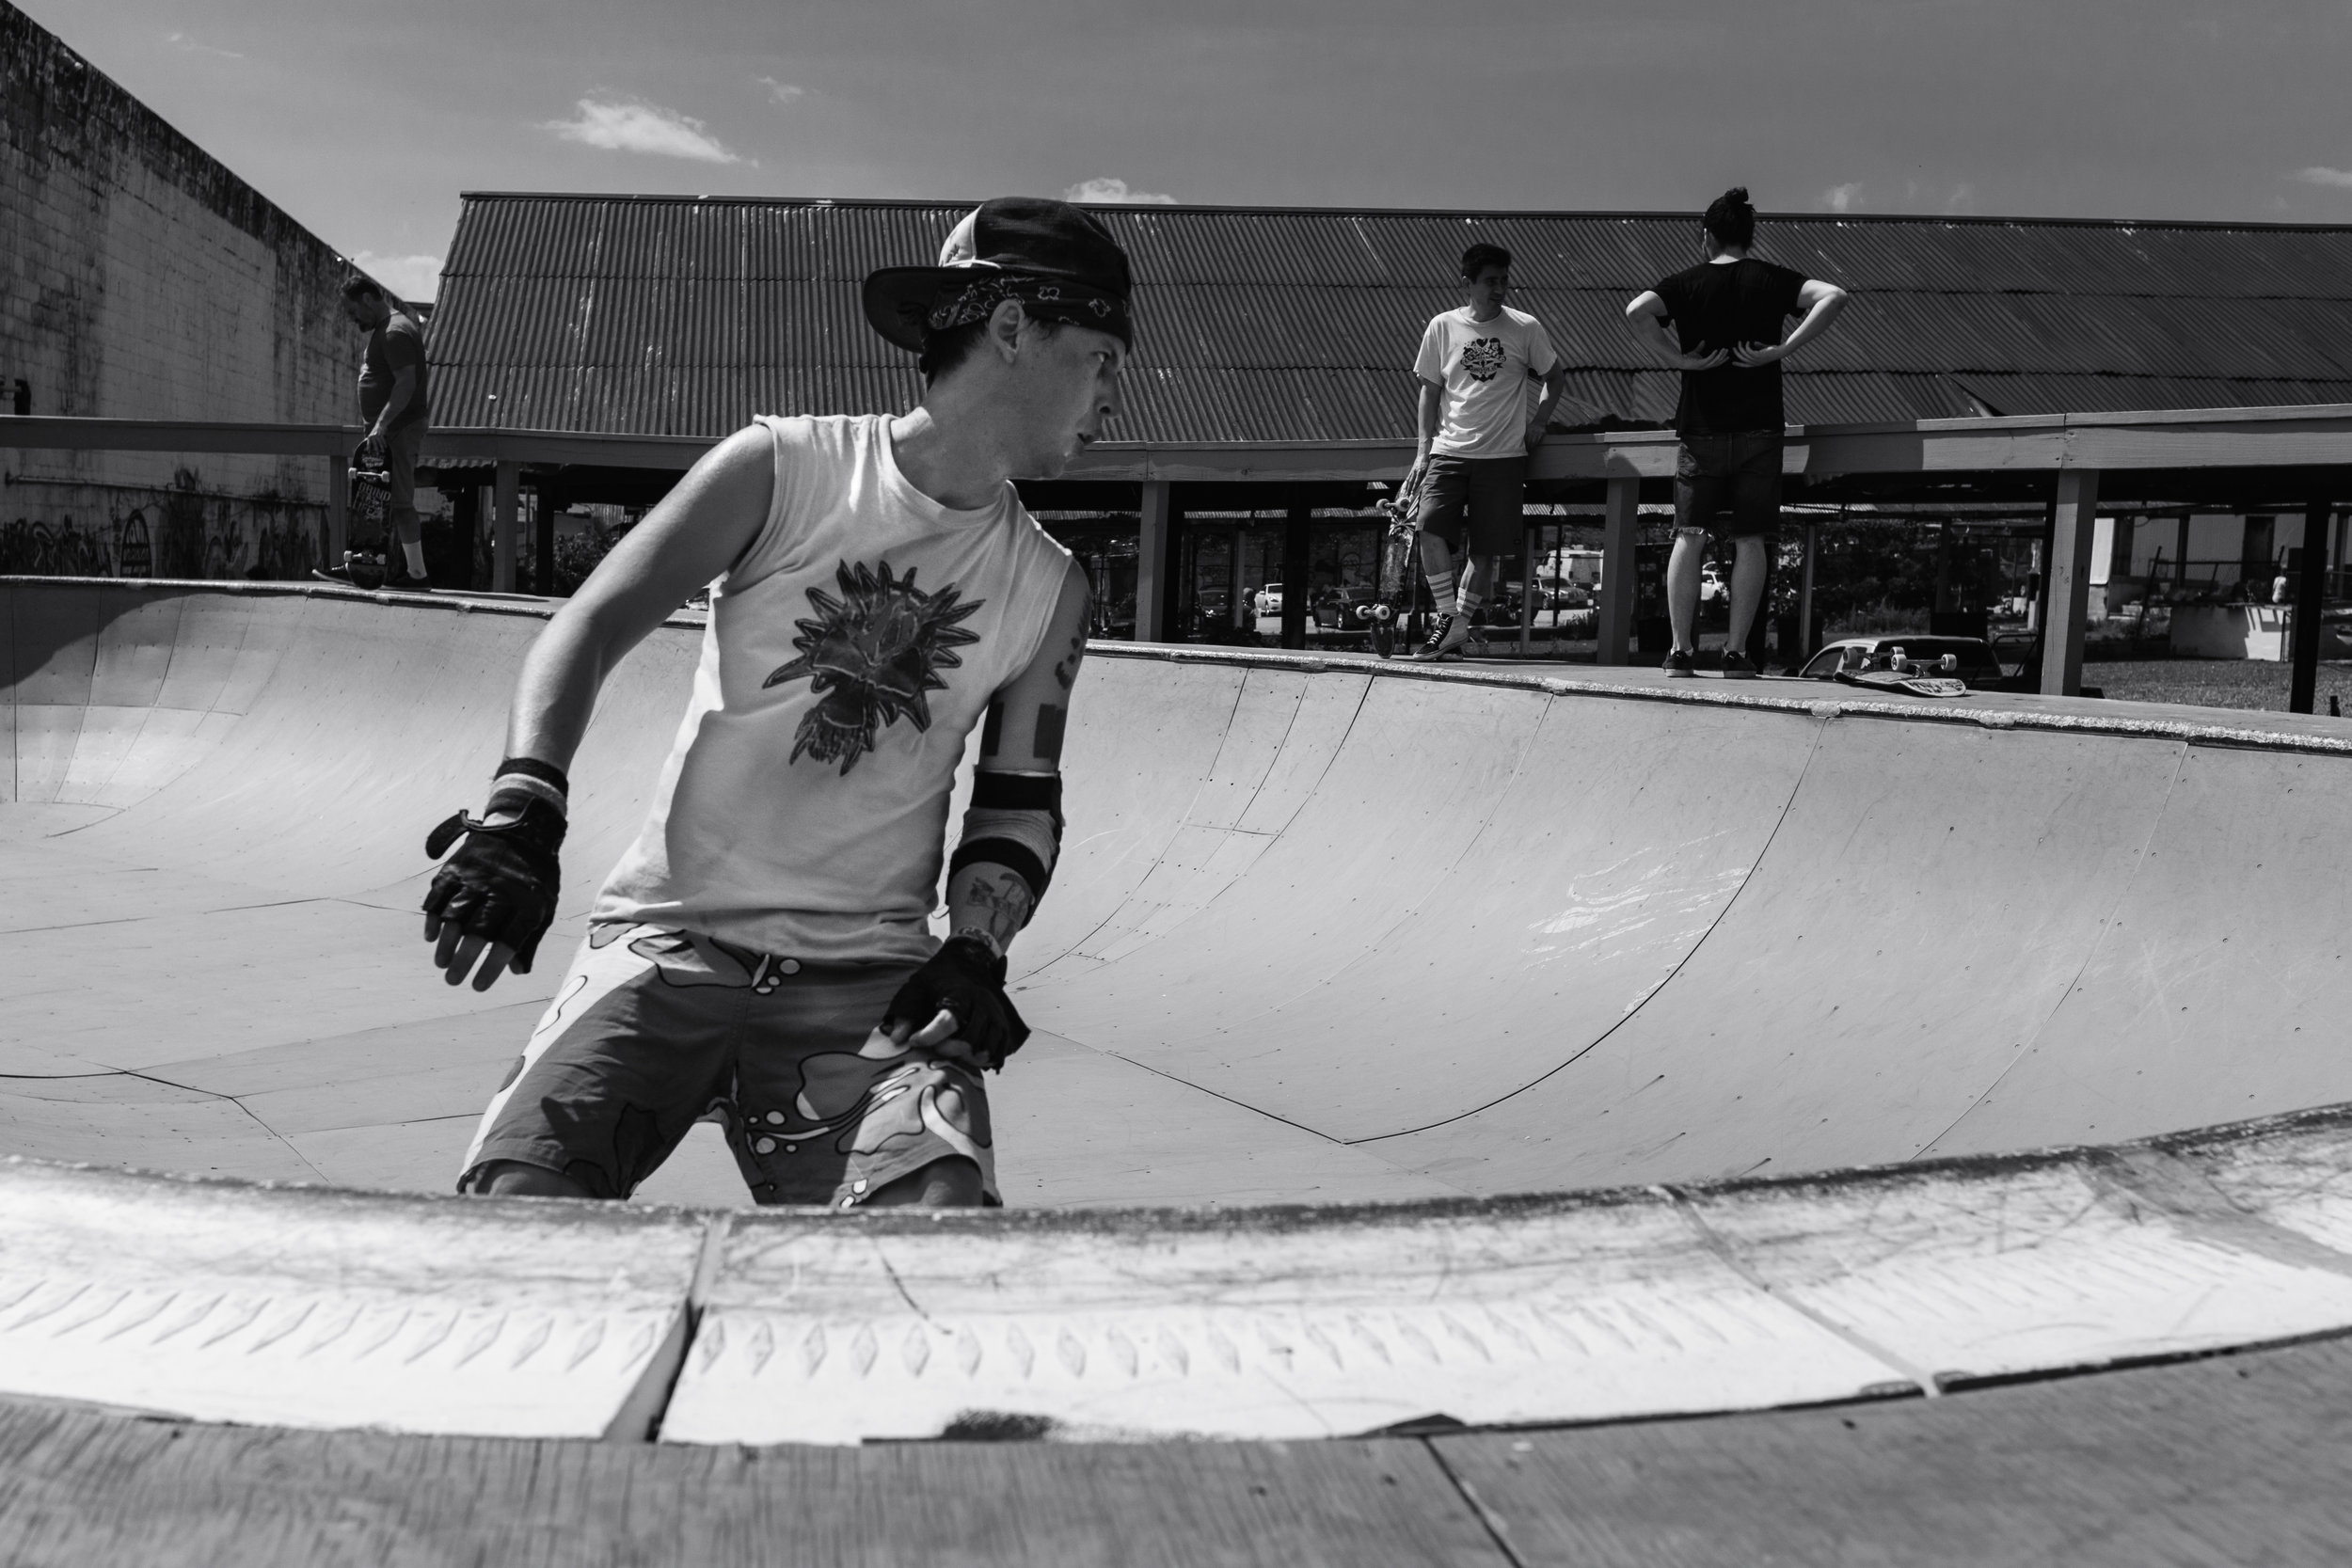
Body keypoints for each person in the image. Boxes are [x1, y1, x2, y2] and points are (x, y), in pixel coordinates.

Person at [423, 198, 1122, 1210]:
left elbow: (1017, 797)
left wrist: (977, 949)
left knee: (935, 1233)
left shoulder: (1049, 588)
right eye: (1102, 356)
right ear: (1013, 328)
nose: (1113, 397)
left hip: (870, 976)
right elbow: (590, 624)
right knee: (516, 1216)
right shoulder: (784, 467)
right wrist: (523, 806)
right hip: (666, 940)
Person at [1625, 188, 1849, 676]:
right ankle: (1735, 651)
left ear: (1706, 235)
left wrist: (1679, 359)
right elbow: (1834, 296)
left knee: (1689, 536)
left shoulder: (1687, 283)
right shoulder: (1769, 278)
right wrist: (1782, 349)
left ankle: (1680, 651)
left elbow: (1636, 311)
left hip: (1701, 428)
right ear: (1750, 236)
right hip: (1760, 429)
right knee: (1751, 540)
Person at [1403, 244, 1570, 662]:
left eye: (1504, 280)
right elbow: (1430, 390)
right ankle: (1451, 619)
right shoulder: (1442, 327)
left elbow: (1555, 377)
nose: (1500, 289)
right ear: (1468, 284)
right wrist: (1424, 448)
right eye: (1490, 281)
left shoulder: (1525, 328)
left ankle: (1452, 632)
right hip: (1449, 451)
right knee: (1428, 528)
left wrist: (1539, 422)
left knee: (1485, 550)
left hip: (1504, 456)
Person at [320, 277, 435, 591]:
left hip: (395, 429)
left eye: (352, 309)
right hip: (387, 431)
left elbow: (406, 383)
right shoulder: (389, 329)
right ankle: (361, 564)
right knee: (374, 500)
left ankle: (417, 575)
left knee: (398, 502)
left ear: (369, 300)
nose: (351, 317)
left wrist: (382, 425)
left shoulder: (395, 332)